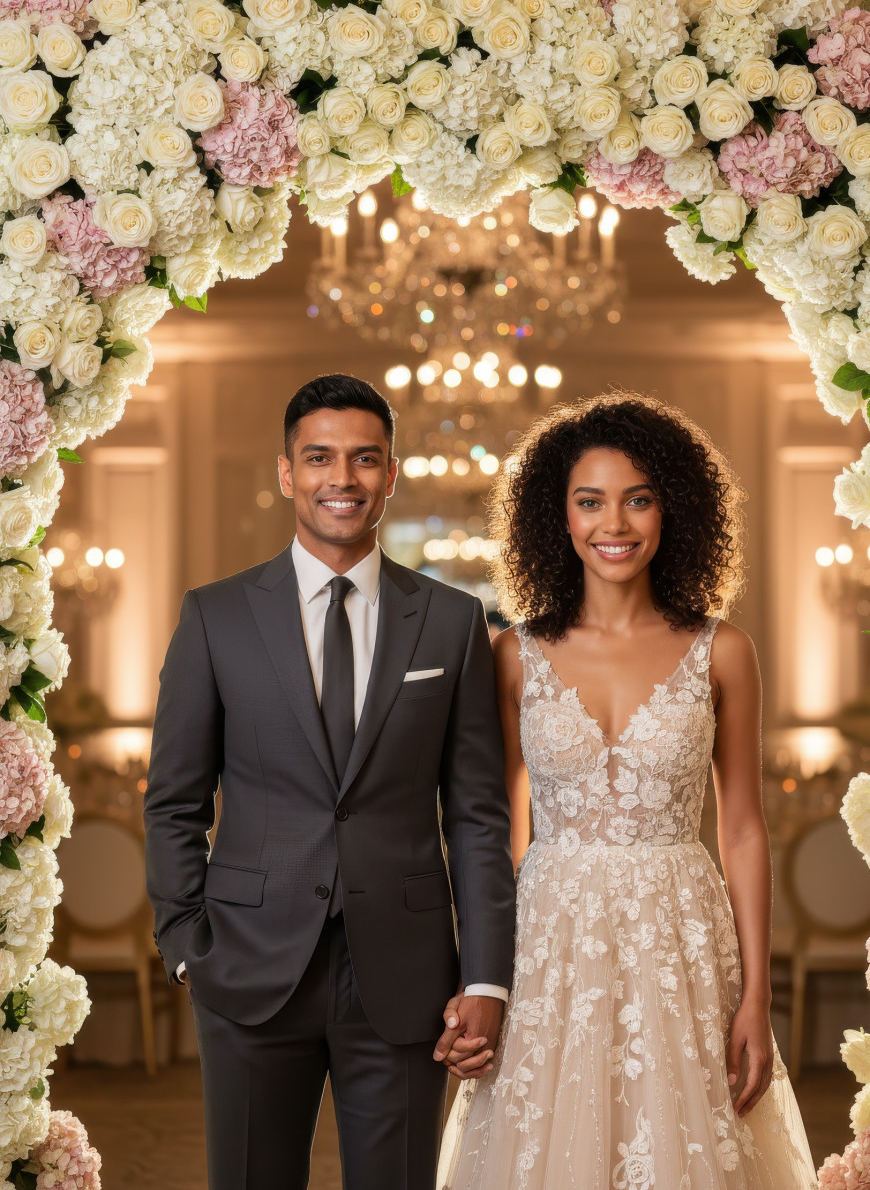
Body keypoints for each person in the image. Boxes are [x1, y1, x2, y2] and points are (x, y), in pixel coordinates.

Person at [434, 392, 818, 1189]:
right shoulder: (513, 654)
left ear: (671, 509)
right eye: (591, 501)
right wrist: (485, 975)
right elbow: (494, 831)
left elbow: (742, 831)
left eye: (638, 499)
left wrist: (755, 996)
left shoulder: (724, 651)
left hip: (680, 938)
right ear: (559, 518)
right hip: (549, 936)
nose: (616, 523)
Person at [143, 373, 516, 1190]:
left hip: (407, 976)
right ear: (287, 473)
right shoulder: (216, 617)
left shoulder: (452, 622)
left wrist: (485, 975)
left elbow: (479, 818)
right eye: (319, 458)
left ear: (391, 472)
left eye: (363, 459)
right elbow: (174, 799)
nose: (341, 479)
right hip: (244, 969)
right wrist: (184, 946)